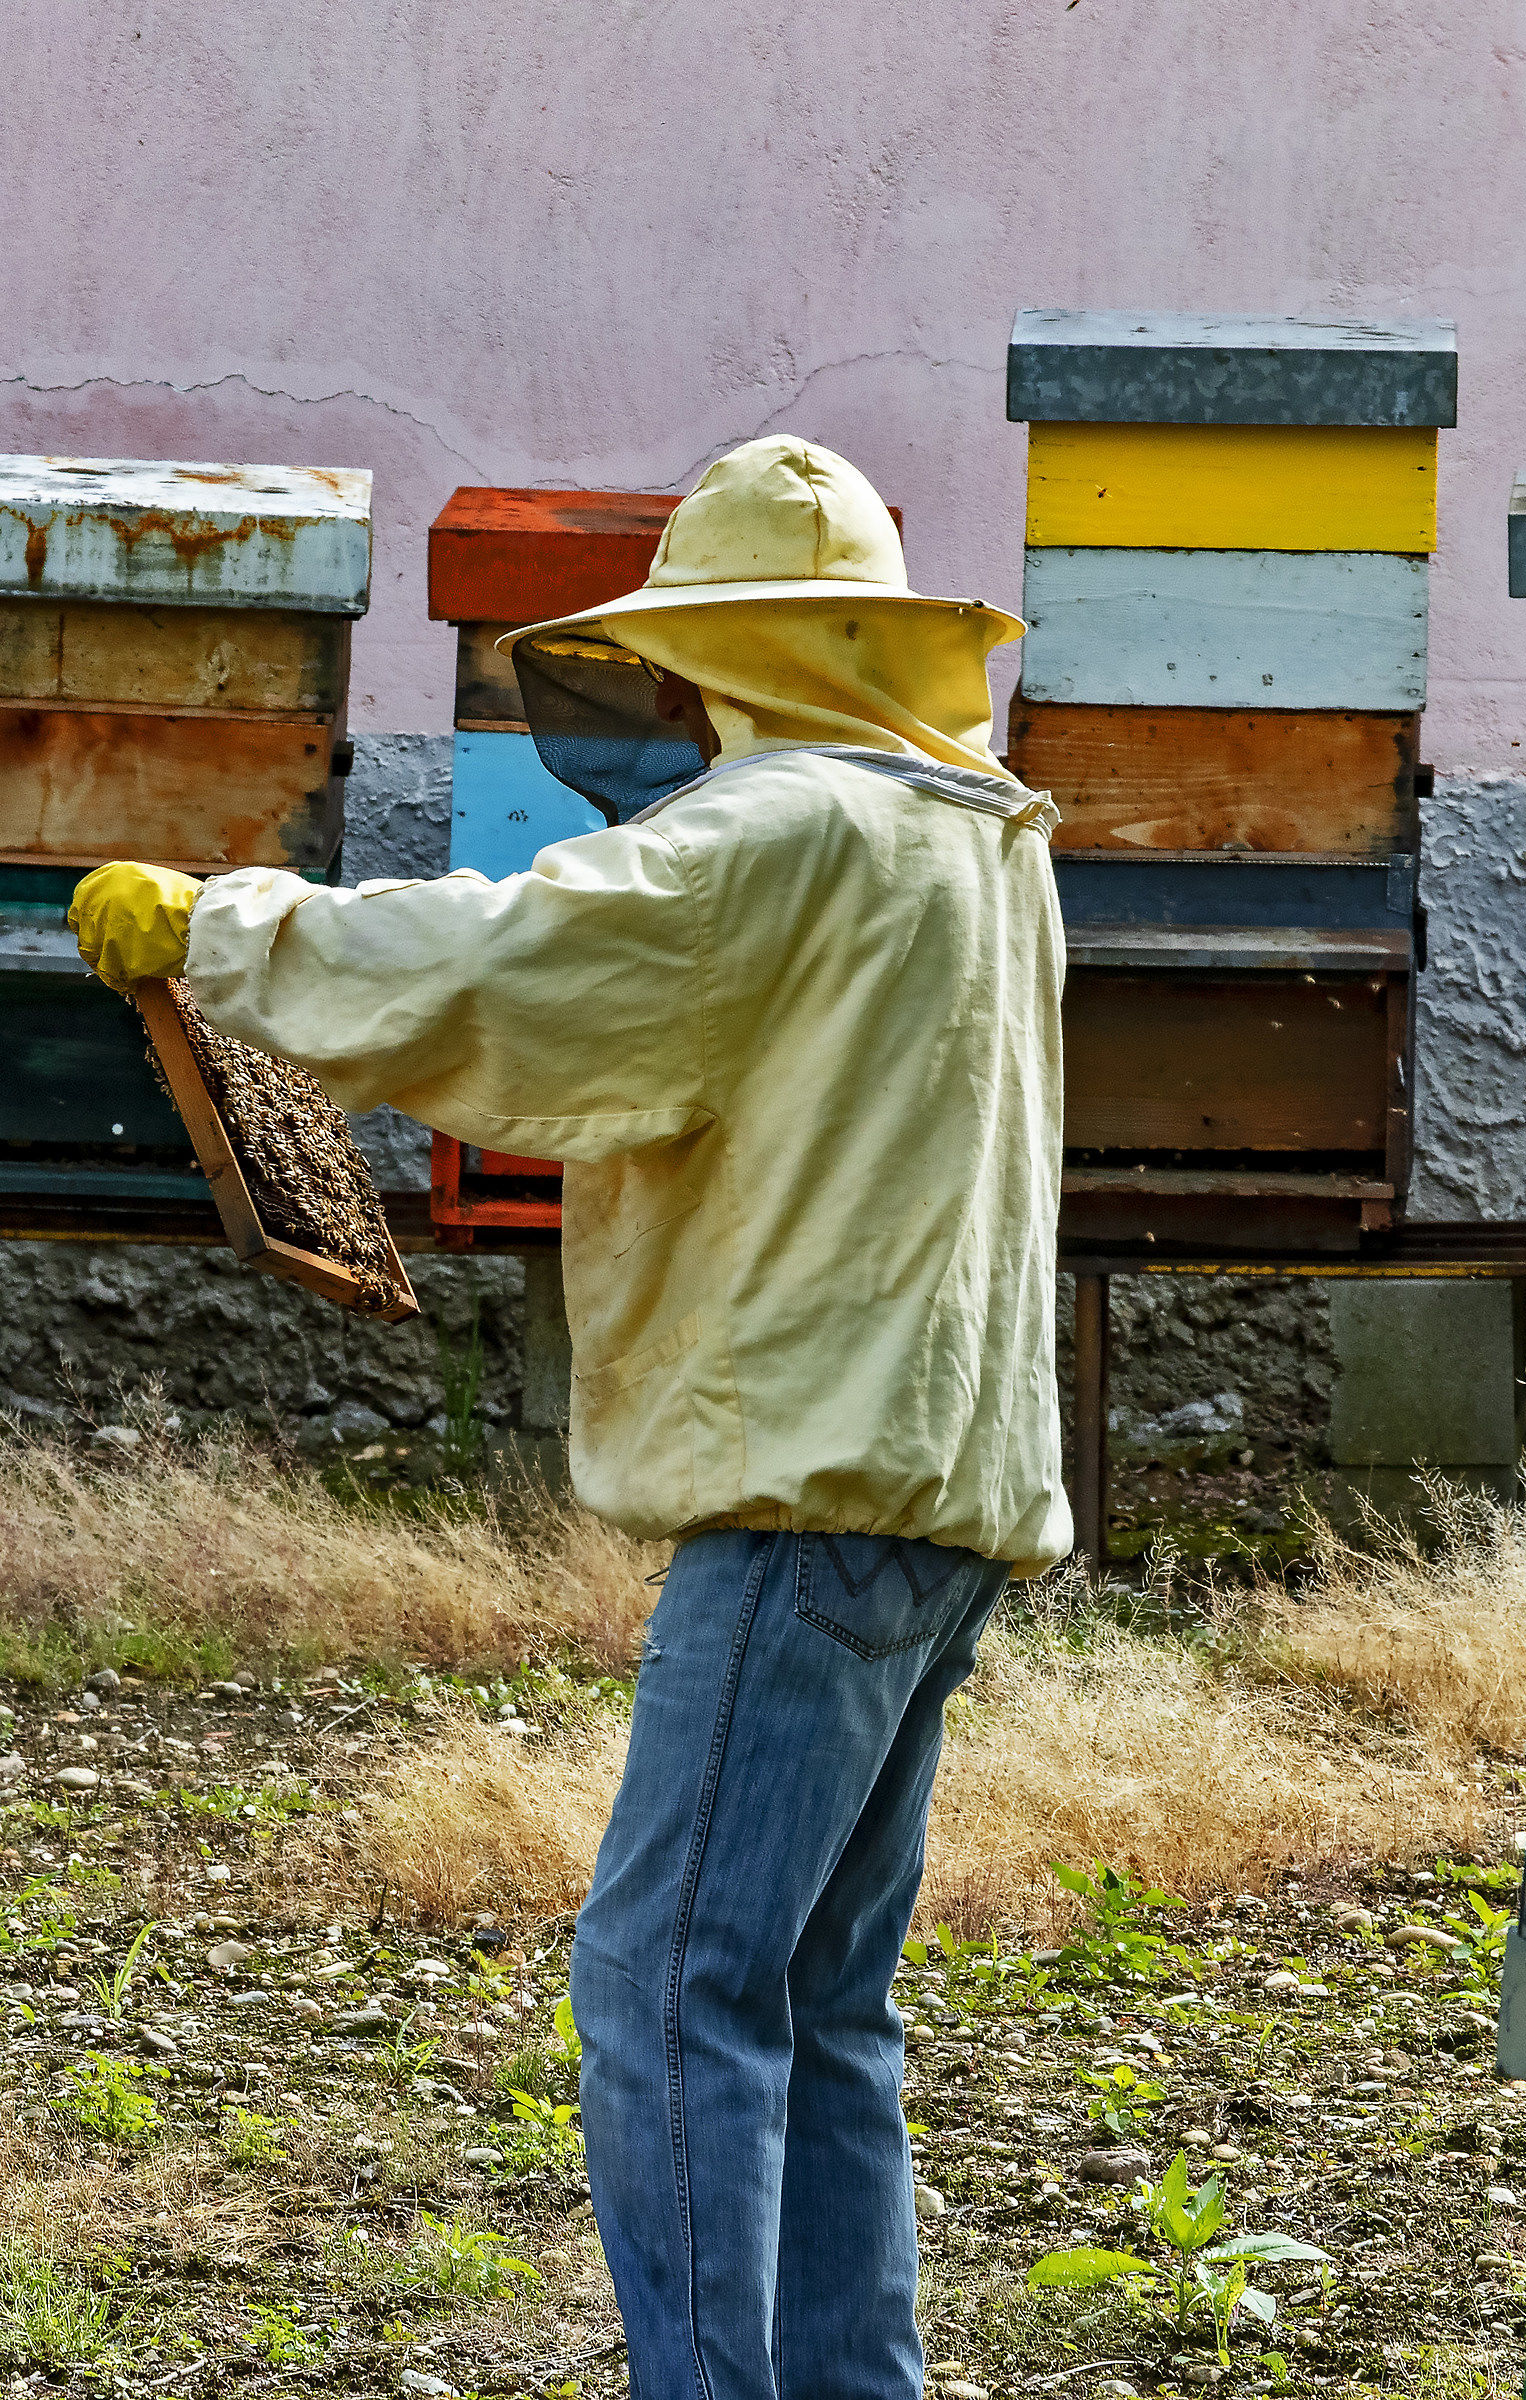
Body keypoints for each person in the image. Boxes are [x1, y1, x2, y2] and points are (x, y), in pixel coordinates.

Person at [69, 436, 1072, 2400]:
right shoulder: (979, 836)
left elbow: (519, 966)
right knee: (817, 2004)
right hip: (945, 1502)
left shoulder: (787, 839)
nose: (668, 707)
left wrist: (219, 930)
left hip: (808, 1492)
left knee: (668, 1985)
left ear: (753, 658)